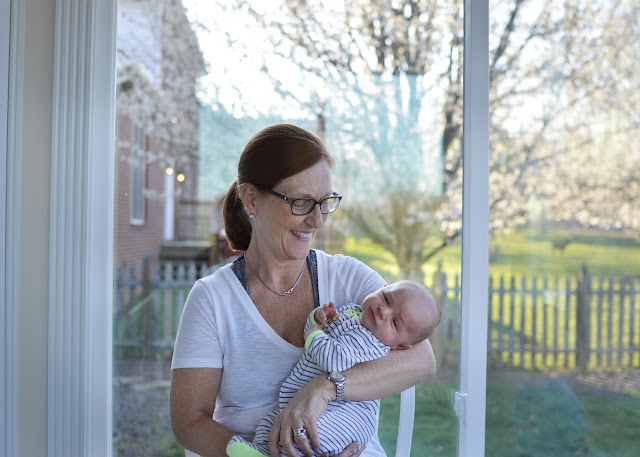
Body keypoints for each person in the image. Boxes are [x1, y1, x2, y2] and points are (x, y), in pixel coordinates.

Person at [170, 123, 437, 457]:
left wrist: (324, 388)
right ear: (251, 199)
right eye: (301, 202)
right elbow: (189, 422)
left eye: (325, 202)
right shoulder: (212, 299)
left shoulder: (347, 277)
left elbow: (422, 360)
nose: (318, 220)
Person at [226, 280, 441, 457]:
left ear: (400, 346)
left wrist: (313, 333)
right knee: (272, 422)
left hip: (345, 417)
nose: (383, 311)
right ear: (381, 288)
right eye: (386, 299)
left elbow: (333, 360)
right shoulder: (352, 312)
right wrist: (318, 317)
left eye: (394, 322)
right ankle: (262, 450)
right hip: (312, 406)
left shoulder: (371, 343)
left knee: (311, 433)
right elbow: (317, 330)